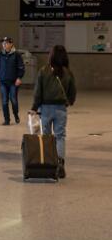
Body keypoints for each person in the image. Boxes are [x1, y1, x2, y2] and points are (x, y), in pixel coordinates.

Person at [30, 45, 77, 179]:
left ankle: (48, 163)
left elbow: (38, 92)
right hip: (61, 108)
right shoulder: (68, 73)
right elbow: (72, 91)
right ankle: (60, 163)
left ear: (51, 56)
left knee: (46, 136)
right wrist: (69, 102)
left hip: (45, 108)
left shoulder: (43, 71)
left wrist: (34, 107)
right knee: (60, 136)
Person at [0, 36, 25, 126]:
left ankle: (16, 114)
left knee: (13, 100)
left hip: (13, 82)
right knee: (4, 101)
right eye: (3, 43)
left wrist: (19, 78)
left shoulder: (17, 55)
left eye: (6, 43)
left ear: (11, 44)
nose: (4, 45)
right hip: (3, 82)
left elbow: (21, 67)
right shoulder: (0, 54)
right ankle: (7, 119)